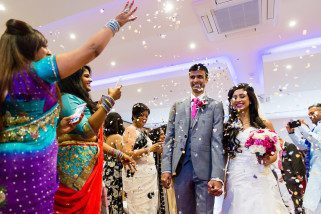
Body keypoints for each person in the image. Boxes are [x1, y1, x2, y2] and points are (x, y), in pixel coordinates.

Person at [0, 2, 136, 212]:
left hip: (7, 162)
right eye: (43, 46)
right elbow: (92, 49)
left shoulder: (5, 79)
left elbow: (19, 129)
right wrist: (116, 23)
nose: (48, 50)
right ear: (30, 50)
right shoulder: (37, 71)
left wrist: (57, 128)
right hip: (34, 164)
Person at [55, 65, 135, 213]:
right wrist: (109, 100)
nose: (90, 79)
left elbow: (94, 141)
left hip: (86, 172)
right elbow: (86, 131)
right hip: (74, 176)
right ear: (74, 79)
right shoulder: (67, 99)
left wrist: (120, 155)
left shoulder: (77, 100)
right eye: (86, 76)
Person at [161, 63, 225, 214]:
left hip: (205, 170)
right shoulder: (177, 106)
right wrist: (166, 169)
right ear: (189, 79)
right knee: (183, 211)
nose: (196, 80)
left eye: (200, 77)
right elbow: (169, 139)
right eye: (192, 77)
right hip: (181, 170)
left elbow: (217, 141)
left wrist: (217, 175)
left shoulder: (216, 106)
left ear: (206, 79)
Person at [221, 83, 288, 214]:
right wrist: (222, 179)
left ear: (250, 100)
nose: (238, 100)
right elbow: (225, 156)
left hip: (261, 172)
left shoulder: (264, 124)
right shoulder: (227, 127)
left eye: (242, 96)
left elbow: (275, 152)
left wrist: (268, 159)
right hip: (236, 173)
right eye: (234, 97)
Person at [122, 103, 163, 214]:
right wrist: (149, 149)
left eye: (146, 116)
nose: (144, 118)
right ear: (134, 116)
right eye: (142, 115)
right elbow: (127, 154)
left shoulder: (143, 131)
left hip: (148, 175)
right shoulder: (130, 129)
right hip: (138, 175)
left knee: (150, 207)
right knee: (140, 207)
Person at [286, 103, 321, 213]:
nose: (310, 116)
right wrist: (292, 133)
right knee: (313, 202)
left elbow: (318, 141)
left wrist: (302, 127)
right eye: (308, 114)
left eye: (313, 113)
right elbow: (304, 145)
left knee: (312, 201)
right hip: (315, 168)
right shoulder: (315, 128)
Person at [103, 112, 128, 214]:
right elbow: (123, 154)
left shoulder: (106, 138)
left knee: (109, 196)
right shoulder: (118, 137)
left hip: (107, 168)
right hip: (116, 170)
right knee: (116, 196)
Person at [279, 138, 306, 213]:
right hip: (288, 178)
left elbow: (296, 161)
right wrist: (283, 174)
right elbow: (285, 164)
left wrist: (298, 174)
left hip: (295, 177)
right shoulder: (281, 149)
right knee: (293, 199)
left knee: (297, 198)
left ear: (280, 139)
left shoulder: (289, 146)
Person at [149, 125, 167, 214]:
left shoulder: (162, 146)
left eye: (164, 134)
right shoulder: (155, 147)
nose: (163, 136)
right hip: (155, 178)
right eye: (161, 134)